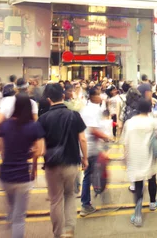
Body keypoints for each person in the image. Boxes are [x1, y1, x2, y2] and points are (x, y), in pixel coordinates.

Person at [38, 83, 88, 238]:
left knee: (55, 200)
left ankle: (58, 233)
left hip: (52, 165)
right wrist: (85, 158)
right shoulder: (74, 115)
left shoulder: (43, 118)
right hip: (72, 162)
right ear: (63, 96)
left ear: (48, 99)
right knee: (70, 195)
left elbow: (41, 149)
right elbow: (83, 139)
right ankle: (69, 229)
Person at [0, 94, 45, 238]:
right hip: (23, 175)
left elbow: (0, 149)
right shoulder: (34, 127)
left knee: (12, 207)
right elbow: (40, 150)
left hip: (5, 175)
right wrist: (29, 154)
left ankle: (10, 214)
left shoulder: (4, 125)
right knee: (19, 218)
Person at [122, 99, 157, 227]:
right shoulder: (153, 121)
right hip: (149, 155)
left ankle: (138, 215)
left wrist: (125, 158)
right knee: (152, 179)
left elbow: (125, 142)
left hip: (134, 156)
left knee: (138, 185)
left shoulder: (129, 122)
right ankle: (153, 203)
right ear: (150, 109)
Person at [79, 88, 113, 217]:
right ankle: (86, 204)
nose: (101, 96)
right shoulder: (93, 110)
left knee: (89, 174)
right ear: (93, 97)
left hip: (87, 147)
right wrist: (107, 137)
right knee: (89, 175)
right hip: (91, 148)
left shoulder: (86, 109)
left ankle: (89, 198)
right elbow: (93, 130)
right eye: (99, 94)